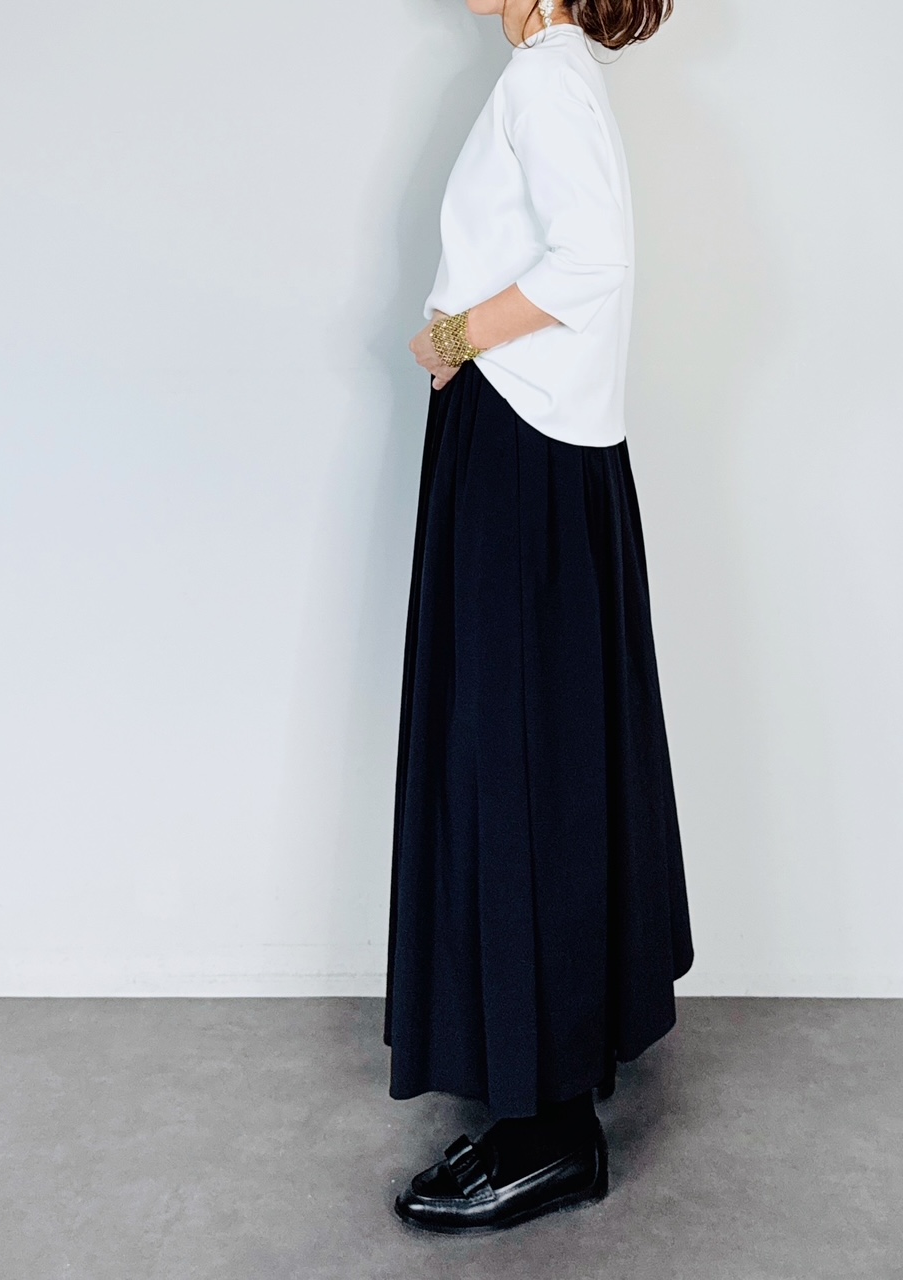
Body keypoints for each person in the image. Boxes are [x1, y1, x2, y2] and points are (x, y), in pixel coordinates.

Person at [383, 0, 694, 1234]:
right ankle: (544, 1085)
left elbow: (593, 261)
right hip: (529, 448)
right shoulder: (544, 74)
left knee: (515, 769)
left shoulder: (546, 80)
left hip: (521, 450)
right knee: (532, 765)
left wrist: (455, 332)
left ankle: (549, 1131)